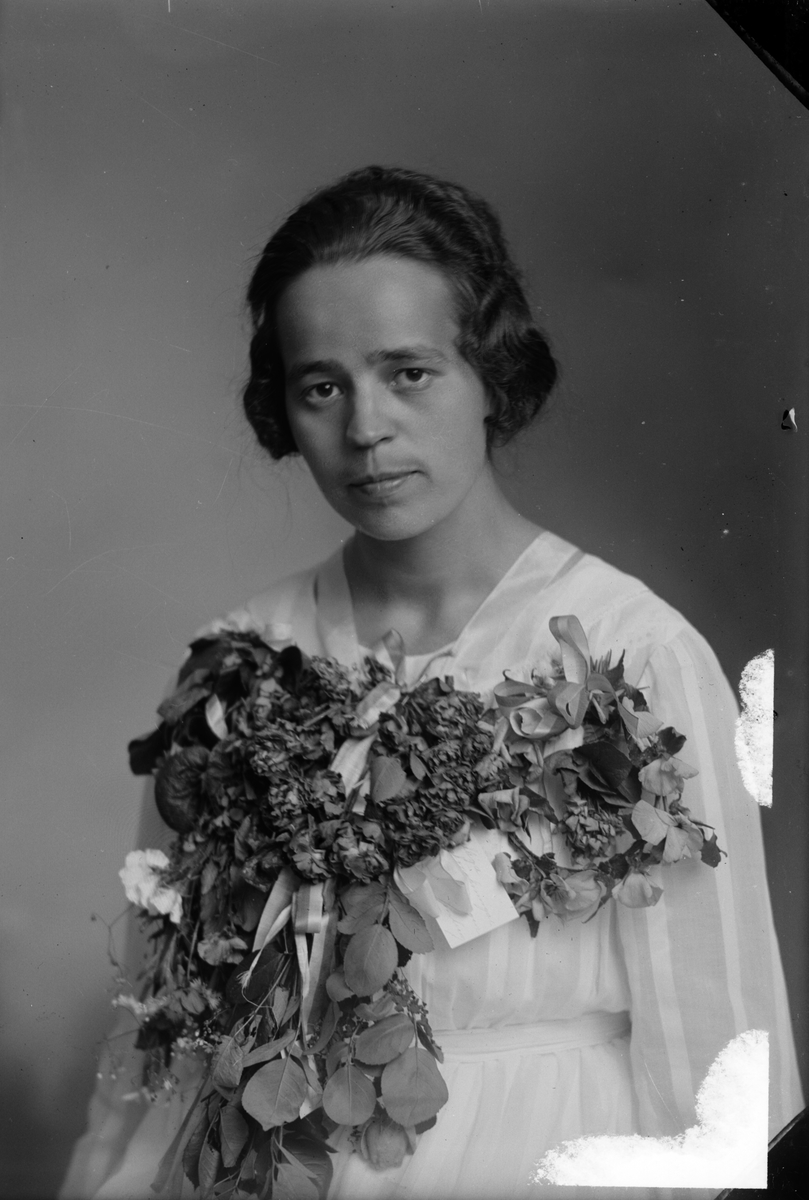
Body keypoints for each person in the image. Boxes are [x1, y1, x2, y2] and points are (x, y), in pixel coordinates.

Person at [61, 166, 802, 1200]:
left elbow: (719, 1066)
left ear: (489, 374)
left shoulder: (630, 658)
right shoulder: (237, 662)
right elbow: (164, 1012)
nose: (366, 428)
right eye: (322, 387)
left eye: (408, 372)